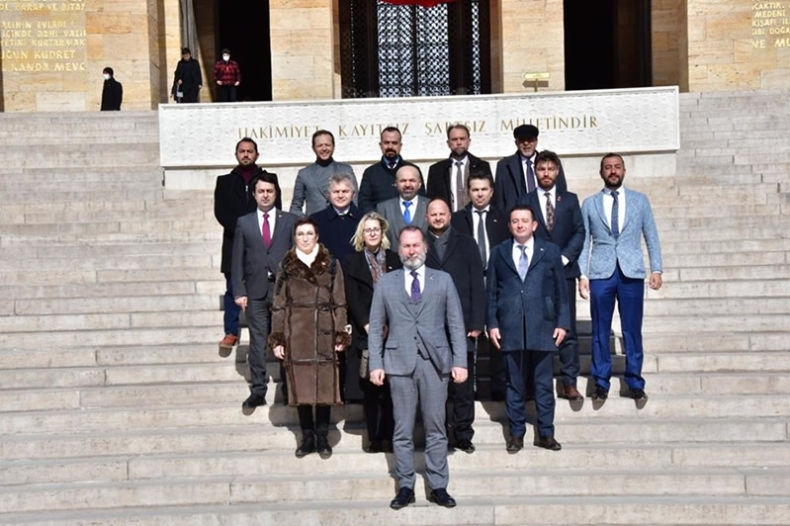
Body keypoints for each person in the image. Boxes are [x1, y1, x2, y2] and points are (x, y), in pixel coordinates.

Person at [368, 226, 468, 510]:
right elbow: (376, 328)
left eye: (415, 245)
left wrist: (460, 361)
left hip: (436, 365)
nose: (411, 251)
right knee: (402, 429)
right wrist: (376, 363)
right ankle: (406, 486)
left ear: (424, 247)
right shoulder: (386, 283)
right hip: (399, 363)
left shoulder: (443, 281)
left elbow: (456, 325)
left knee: (436, 428)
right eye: (406, 246)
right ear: (399, 250)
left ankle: (438, 485)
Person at [578, 153, 663, 402]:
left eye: (617, 167)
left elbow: (651, 236)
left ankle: (634, 380)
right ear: (601, 172)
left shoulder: (640, 201)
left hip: (631, 272)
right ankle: (601, 381)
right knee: (600, 329)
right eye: (608, 168)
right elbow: (584, 242)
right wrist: (582, 274)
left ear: (624, 171)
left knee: (632, 329)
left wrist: (656, 269)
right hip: (601, 273)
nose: (612, 171)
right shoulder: (590, 204)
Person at [487, 205, 569, 453]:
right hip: (510, 326)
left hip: (542, 326)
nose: (520, 224)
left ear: (534, 225)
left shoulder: (550, 251)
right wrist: (492, 323)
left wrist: (562, 322)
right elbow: (491, 291)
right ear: (509, 225)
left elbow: (561, 292)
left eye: (524, 220)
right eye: (515, 221)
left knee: (543, 384)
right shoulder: (499, 252)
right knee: (515, 384)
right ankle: (516, 433)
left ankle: (546, 433)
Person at [269, 217, 351, 458]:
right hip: (297, 333)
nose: (305, 238)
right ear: (294, 238)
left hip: (324, 332)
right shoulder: (286, 264)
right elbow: (279, 304)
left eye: (309, 234)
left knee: (324, 387)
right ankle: (307, 437)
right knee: (301, 387)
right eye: (300, 234)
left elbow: (340, 301)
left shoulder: (331, 263)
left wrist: (339, 333)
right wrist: (278, 337)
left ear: (317, 236)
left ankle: (323, 436)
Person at [520, 151, 585, 401]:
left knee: (565, 326)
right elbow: (522, 231)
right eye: (541, 169)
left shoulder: (569, 200)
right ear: (535, 172)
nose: (546, 173)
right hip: (534, 274)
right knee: (534, 326)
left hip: (564, 272)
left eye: (550, 169)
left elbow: (579, 231)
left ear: (557, 171)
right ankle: (533, 383)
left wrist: (565, 257)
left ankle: (569, 381)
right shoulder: (525, 199)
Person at [231, 172, 297, 410]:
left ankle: (289, 389)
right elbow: (237, 258)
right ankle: (258, 390)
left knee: (286, 339)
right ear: (254, 194)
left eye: (270, 191)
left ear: (276, 194)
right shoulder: (244, 222)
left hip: (283, 291)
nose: (266, 195)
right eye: (261, 191)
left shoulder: (289, 221)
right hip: (255, 291)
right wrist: (239, 290)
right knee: (258, 343)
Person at [424, 199, 485, 453]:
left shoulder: (467, 242)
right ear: (427, 217)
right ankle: (438, 434)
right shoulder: (419, 243)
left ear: (450, 215)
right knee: (435, 386)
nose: (438, 218)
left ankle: (463, 434)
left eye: (442, 213)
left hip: (461, 324)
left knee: (461, 386)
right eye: (433, 214)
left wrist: (477, 321)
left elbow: (476, 284)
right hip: (430, 326)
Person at [215, 138, 283, 353]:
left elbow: (275, 208)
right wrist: (244, 230)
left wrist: (253, 232)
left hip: (262, 244)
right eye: (242, 151)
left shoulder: (268, 181)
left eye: (250, 151)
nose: (246, 154)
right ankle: (231, 331)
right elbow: (221, 212)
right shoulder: (225, 181)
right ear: (236, 154)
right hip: (233, 241)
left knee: (270, 288)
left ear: (257, 155)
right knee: (232, 287)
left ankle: (274, 332)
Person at [344, 212, 401, 452]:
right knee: (371, 388)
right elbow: (352, 296)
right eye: (368, 230)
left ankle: (390, 436)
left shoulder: (396, 260)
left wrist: (392, 323)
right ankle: (375, 437)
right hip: (366, 331)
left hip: (395, 330)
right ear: (361, 234)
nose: (372, 233)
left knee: (392, 388)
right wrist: (367, 323)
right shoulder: (353, 261)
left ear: (383, 232)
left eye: (376, 229)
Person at [451, 170, 510, 401]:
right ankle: (471, 386)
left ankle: (498, 386)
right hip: (468, 284)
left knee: (497, 334)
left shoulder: (504, 218)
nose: (479, 194)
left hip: (496, 282)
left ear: (491, 191)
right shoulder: (457, 219)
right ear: (468, 192)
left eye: (484, 189)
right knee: (470, 334)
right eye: (475, 190)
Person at [494, 124, 568, 213]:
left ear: (536, 141)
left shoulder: (552, 163)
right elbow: (499, 201)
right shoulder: (504, 166)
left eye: (530, 139)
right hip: (517, 220)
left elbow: (562, 191)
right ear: (516, 142)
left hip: (546, 216)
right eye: (522, 140)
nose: (526, 143)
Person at [291, 130, 358, 217]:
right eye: (320, 145)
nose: (324, 148)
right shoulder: (304, 174)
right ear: (313, 148)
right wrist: (306, 222)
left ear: (333, 146)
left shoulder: (346, 170)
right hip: (315, 226)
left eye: (327, 145)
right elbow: (295, 207)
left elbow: (355, 200)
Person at [426, 124, 492, 212]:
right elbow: (431, 200)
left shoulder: (482, 166)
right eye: (454, 139)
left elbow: (490, 196)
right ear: (448, 143)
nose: (459, 142)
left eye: (462, 138)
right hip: (448, 221)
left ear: (469, 141)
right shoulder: (436, 170)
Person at [358, 127, 424, 213]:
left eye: (394, 143)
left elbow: (421, 199)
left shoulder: (413, 170)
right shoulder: (370, 173)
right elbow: (364, 202)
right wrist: (378, 220)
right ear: (380, 145)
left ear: (400, 146)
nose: (390, 146)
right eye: (386, 143)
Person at [310, 173, 361, 270]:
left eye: (345, 191)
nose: (340, 195)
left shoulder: (363, 218)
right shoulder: (316, 220)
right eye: (336, 192)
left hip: (357, 275)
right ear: (328, 195)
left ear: (353, 194)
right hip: (327, 276)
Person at [375, 165, 429, 252]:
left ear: (419, 184)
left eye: (412, 180)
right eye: (403, 181)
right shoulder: (383, 208)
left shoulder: (430, 206)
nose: (407, 184)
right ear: (396, 184)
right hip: (393, 263)